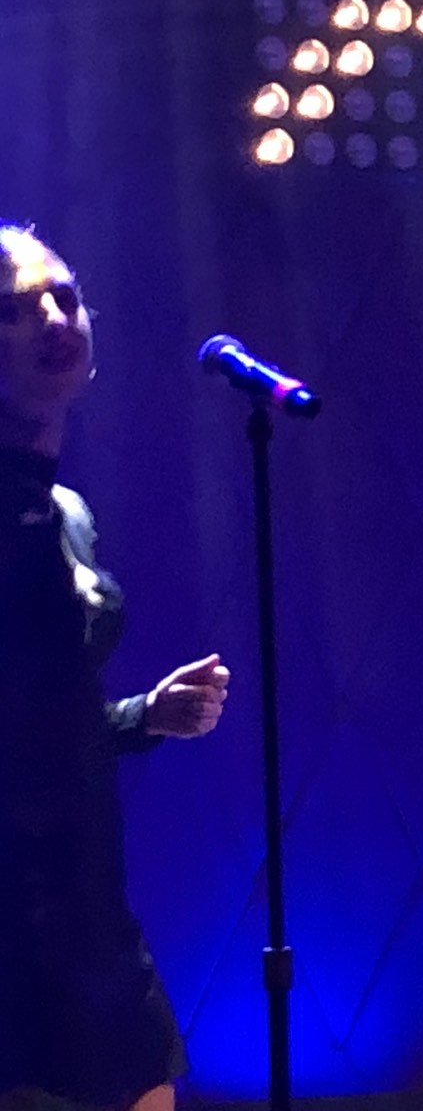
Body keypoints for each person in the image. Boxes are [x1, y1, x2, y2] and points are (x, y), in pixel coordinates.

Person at [0, 223, 231, 1111]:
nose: (54, 318)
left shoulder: (67, 512)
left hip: (90, 903)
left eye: (65, 298)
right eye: (14, 310)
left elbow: (44, 717)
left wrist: (144, 716)